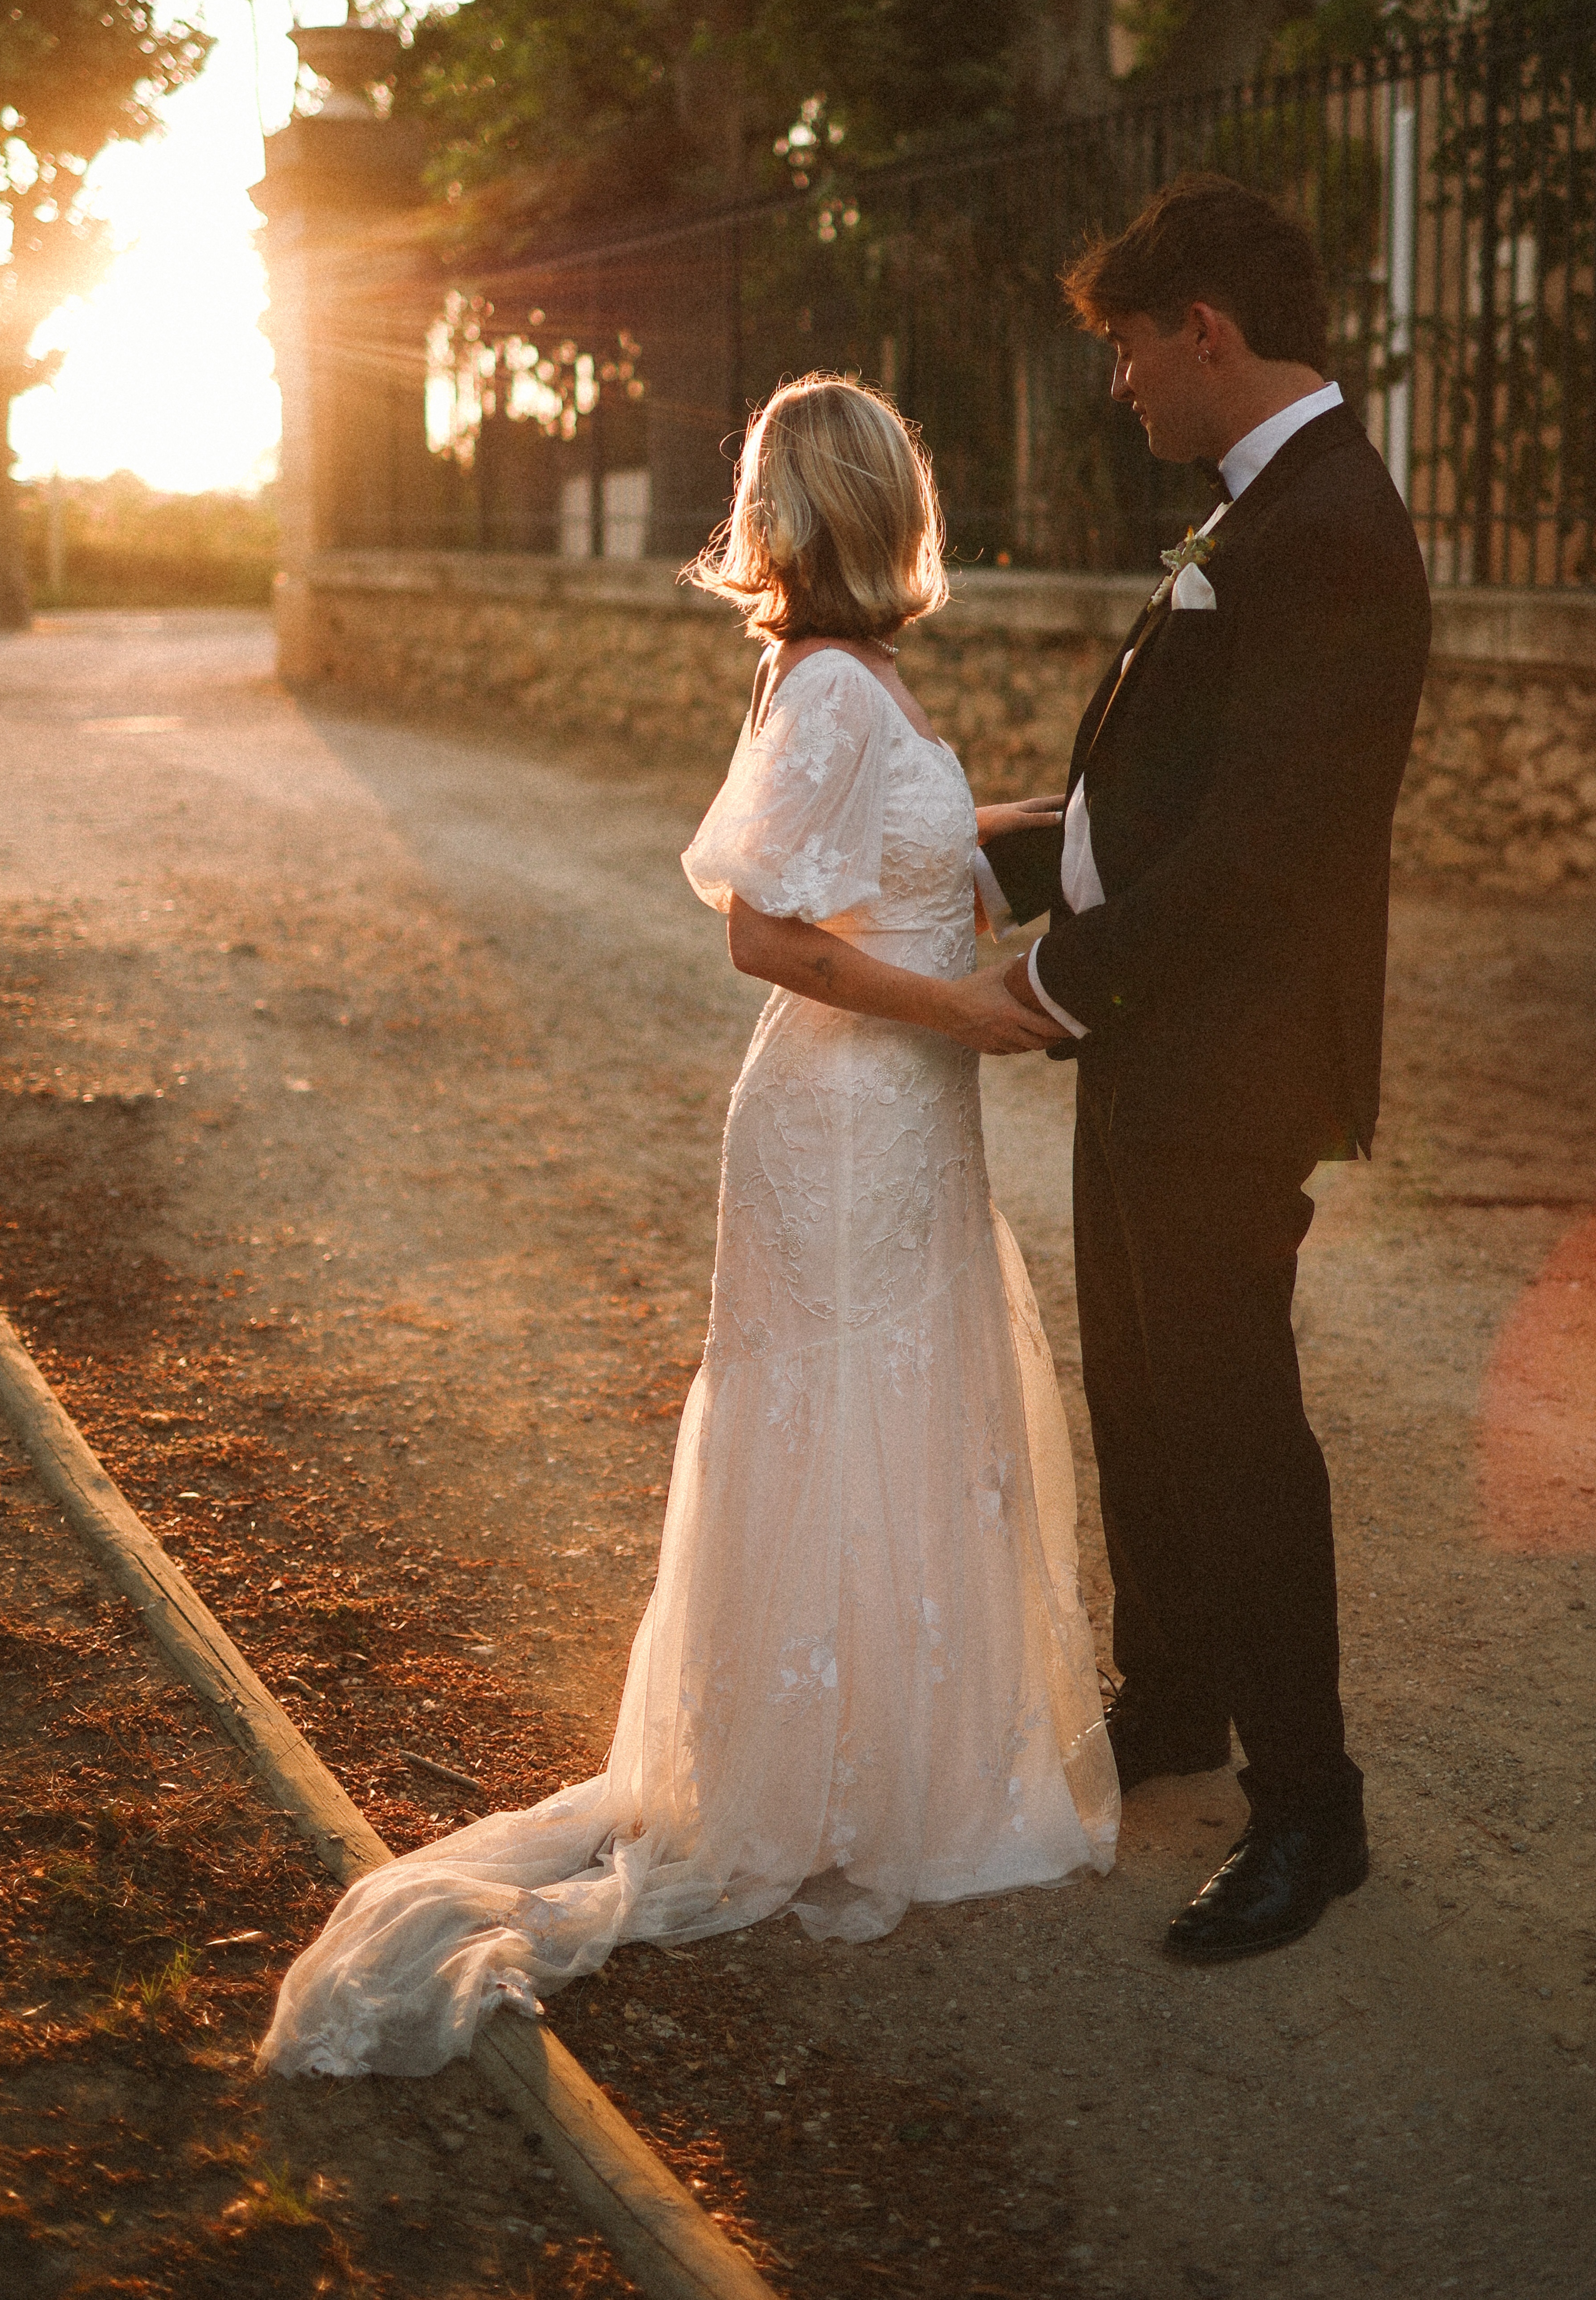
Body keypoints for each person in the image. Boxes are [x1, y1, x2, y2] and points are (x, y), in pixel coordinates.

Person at [260, 374, 1116, 2079]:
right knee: (841, 1410)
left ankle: (876, 1746)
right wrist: (973, 1015)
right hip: (848, 1117)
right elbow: (769, 938)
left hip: (898, 1118)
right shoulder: (828, 694)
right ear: (879, 504)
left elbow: (901, 863)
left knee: (895, 1402)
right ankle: (820, 1774)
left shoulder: (857, 681)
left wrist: (1062, 836)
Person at [976, 172, 1430, 1963]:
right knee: (1145, 1390)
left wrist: (1052, 979)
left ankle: (1310, 1810)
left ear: (1206, 333)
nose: (1119, 386)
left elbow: (1263, 850)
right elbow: (1150, 799)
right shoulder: (1262, 508)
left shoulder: (1326, 527)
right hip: (1159, 1037)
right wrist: (967, 844)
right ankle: (1166, 1706)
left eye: (1127, 349)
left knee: (1230, 1420)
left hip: (1231, 1059)